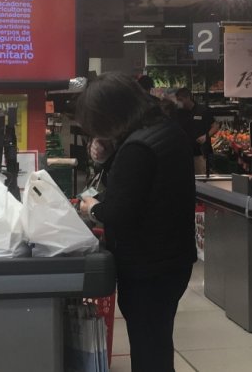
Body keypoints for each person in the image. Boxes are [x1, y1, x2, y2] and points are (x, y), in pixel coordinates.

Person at [76, 73, 196, 372]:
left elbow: (119, 212)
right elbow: (148, 189)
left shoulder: (137, 148)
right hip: (172, 259)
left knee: (148, 348)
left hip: (147, 266)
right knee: (155, 342)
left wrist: (93, 208)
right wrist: (109, 155)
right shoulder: (166, 129)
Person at [173, 87, 218, 175]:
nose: (179, 102)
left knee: (200, 179)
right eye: (177, 100)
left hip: (199, 153)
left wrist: (206, 136)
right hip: (183, 154)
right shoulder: (178, 112)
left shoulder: (202, 110)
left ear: (188, 97)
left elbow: (215, 126)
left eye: (180, 100)